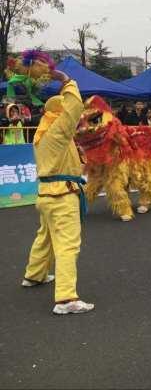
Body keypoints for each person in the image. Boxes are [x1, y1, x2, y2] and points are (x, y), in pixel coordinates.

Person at [22, 69, 94, 314]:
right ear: (58, 113)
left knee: (46, 236)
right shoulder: (57, 131)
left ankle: (34, 274)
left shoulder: (42, 135)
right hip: (61, 196)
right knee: (67, 244)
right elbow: (74, 108)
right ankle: (66, 299)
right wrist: (67, 82)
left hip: (46, 195)